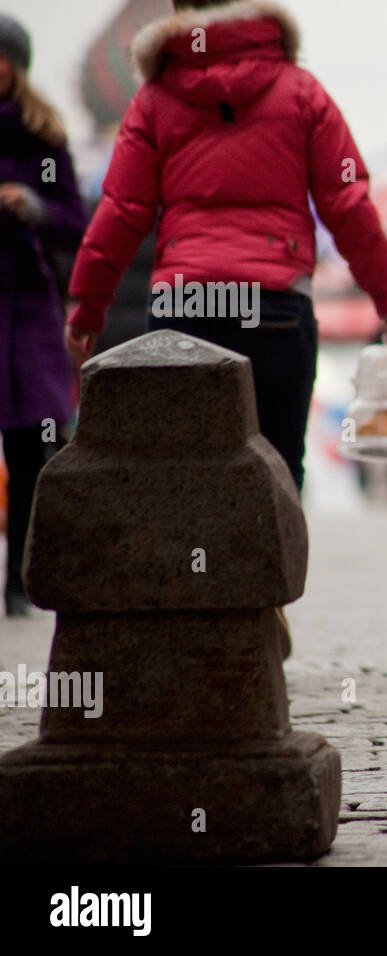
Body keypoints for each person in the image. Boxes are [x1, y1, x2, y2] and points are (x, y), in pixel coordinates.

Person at [64, 0, 387, 495]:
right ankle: (269, 571)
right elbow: (347, 201)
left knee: (181, 469)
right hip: (274, 305)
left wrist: (88, 307)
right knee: (278, 467)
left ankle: (189, 567)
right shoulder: (303, 93)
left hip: (186, 303)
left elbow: (122, 211)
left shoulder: (154, 99)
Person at [0, 15, 88, 617]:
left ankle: (20, 581)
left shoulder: (40, 135)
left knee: (34, 439)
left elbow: (73, 219)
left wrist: (32, 205)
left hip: (26, 303)